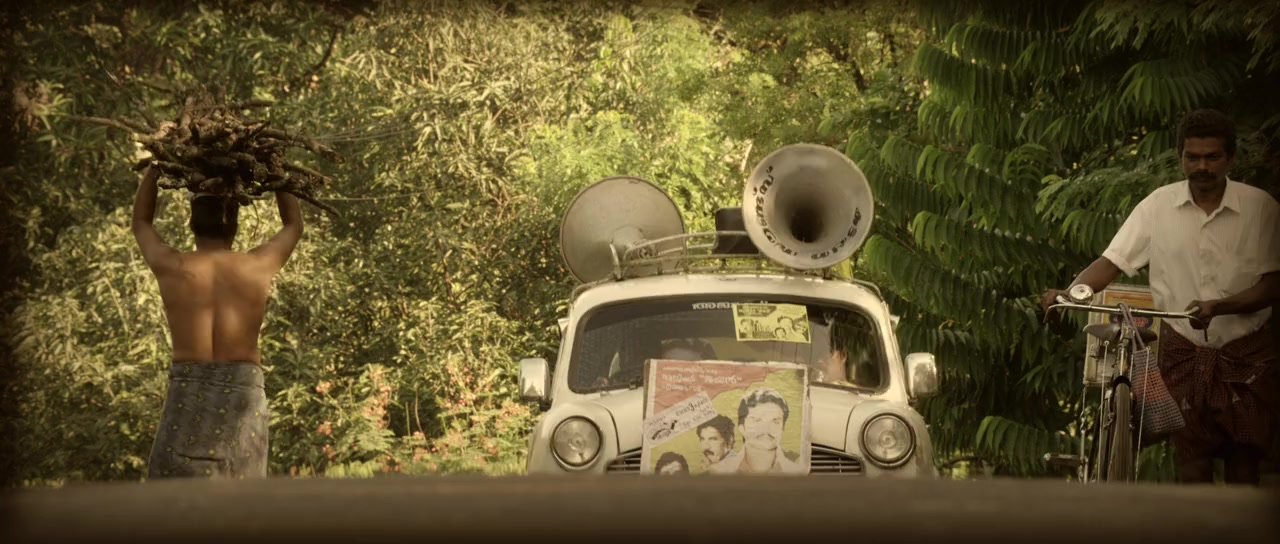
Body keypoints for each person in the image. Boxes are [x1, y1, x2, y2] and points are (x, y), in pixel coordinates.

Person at [1040, 109, 1280, 485]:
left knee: (1244, 465)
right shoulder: (1157, 206)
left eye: (1212, 157)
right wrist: (1071, 293)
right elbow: (1112, 261)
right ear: (1180, 156)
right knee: (1191, 464)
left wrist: (1221, 307)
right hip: (1182, 352)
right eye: (1192, 157)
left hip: (1247, 355)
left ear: (1230, 158)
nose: (1202, 167)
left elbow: (1273, 284)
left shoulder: (1261, 207)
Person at [133, 166, 305, 479]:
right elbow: (293, 225)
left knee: (173, 495)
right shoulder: (256, 267)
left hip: (187, 390)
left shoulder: (172, 266)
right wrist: (277, 171)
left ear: (192, 223)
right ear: (234, 225)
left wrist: (155, 168)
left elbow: (141, 223)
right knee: (240, 495)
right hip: (242, 391)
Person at [709, 387, 804, 475]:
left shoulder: (798, 474)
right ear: (742, 428)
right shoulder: (718, 472)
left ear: (782, 429)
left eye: (775, 421)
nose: (766, 428)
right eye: (757, 420)